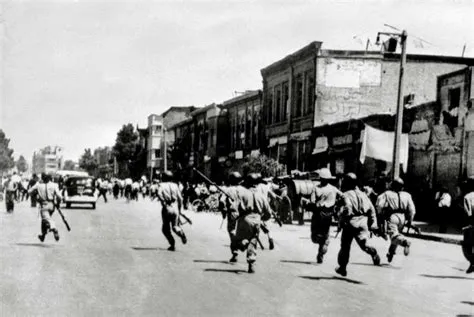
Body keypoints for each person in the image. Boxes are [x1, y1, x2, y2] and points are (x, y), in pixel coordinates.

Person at [335, 173, 381, 277]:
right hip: (363, 222)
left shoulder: (345, 194)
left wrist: (340, 221)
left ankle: (342, 268)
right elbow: (372, 210)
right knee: (364, 245)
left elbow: (347, 209)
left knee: (345, 246)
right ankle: (373, 252)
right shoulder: (364, 195)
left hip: (350, 223)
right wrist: (373, 224)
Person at [232, 173, 273, 273]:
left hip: (244, 219)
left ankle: (243, 243)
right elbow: (268, 213)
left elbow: (234, 208)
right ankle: (251, 263)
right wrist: (261, 219)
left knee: (239, 239)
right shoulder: (261, 196)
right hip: (257, 220)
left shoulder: (241, 193)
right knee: (253, 241)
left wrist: (235, 217)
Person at [376, 177, 416, 263]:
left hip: (392, 216)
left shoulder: (387, 194)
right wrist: (410, 220)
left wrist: (380, 214)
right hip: (402, 217)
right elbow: (412, 210)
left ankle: (405, 242)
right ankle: (391, 252)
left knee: (394, 235)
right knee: (397, 234)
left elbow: (379, 205)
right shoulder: (407, 195)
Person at [308, 168, 343, 264]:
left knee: (314, 236)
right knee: (325, 234)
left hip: (317, 215)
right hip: (328, 216)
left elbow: (312, 201)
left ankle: (321, 247)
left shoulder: (315, 188)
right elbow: (343, 196)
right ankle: (322, 249)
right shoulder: (333, 189)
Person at [157, 171, 187, 251]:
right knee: (175, 226)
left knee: (165, 228)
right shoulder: (175, 185)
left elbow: (159, 194)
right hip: (175, 208)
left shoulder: (161, 185)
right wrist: (180, 210)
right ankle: (181, 232)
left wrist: (163, 201)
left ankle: (172, 244)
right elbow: (180, 198)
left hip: (166, 208)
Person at [219, 171, 246, 262]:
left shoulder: (228, 190)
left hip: (233, 213)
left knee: (231, 231)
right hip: (243, 213)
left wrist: (223, 211)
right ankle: (237, 249)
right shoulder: (244, 190)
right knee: (241, 231)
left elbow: (222, 202)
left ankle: (237, 248)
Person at [28, 173, 62, 242]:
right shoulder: (54, 185)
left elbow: (29, 191)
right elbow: (59, 196)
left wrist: (35, 193)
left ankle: (54, 228)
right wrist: (58, 203)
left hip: (44, 205)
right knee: (45, 220)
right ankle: (43, 235)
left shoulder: (38, 185)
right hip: (52, 205)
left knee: (47, 219)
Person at [462, 177, 474, 274]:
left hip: (472, 223)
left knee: (467, 245)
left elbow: (468, 213)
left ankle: (472, 262)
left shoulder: (467, 197)